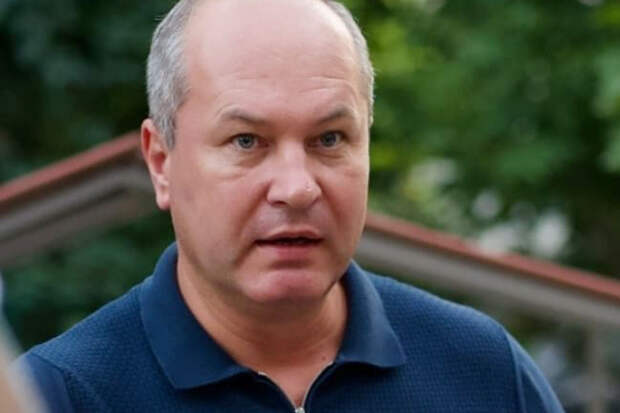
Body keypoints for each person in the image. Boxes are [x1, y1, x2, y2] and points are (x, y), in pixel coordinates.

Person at [16, 0, 565, 411]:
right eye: (246, 142)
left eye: (329, 139)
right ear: (161, 162)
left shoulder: (483, 373)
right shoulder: (59, 395)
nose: (297, 188)